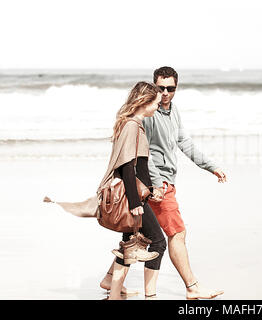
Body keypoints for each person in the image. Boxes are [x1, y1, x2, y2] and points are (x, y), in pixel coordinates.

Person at [101, 66, 227, 299]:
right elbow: (140, 157)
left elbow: (183, 141)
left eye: (171, 88)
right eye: (161, 89)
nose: (166, 93)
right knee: (174, 234)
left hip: (163, 182)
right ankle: (191, 287)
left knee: (136, 236)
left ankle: (112, 281)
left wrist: (210, 166)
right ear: (153, 89)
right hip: (157, 185)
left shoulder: (172, 110)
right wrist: (156, 185)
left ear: (176, 88)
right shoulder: (148, 114)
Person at [103, 81, 167, 300]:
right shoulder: (132, 125)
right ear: (145, 102)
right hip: (134, 198)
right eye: (156, 102)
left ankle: (113, 294)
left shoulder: (134, 124)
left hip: (139, 195)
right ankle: (151, 295)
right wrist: (135, 203)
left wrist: (150, 190)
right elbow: (127, 168)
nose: (159, 106)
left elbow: (138, 167)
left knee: (129, 245)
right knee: (158, 241)